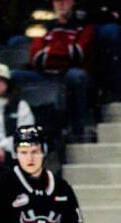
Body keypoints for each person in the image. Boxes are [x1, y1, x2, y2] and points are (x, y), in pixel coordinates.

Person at [21, 0, 96, 141]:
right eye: (58, 1)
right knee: (14, 76)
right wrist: (63, 52)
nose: (61, 4)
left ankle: (78, 127)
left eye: (65, 1)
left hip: (68, 73)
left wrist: (50, 52)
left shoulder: (84, 26)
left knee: (78, 76)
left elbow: (79, 54)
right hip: (43, 73)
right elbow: (36, 57)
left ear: (73, 3)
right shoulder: (43, 26)